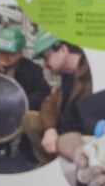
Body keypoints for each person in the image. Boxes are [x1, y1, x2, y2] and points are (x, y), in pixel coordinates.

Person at [26, 31, 93, 162]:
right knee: (30, 119)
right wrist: (50, 129)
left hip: (85, 140)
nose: (45, 64)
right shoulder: (68, 78)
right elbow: (48, 104)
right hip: (65, 133)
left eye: (46, 57)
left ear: (63, 50)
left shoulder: (90, 77)